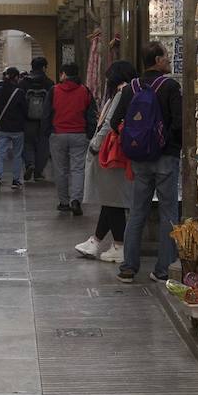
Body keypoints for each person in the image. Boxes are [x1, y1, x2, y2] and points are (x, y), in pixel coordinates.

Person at [110, 41, 182, 283]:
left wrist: (134, 141)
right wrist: (170, 143)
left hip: (140, 160)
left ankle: (129, 267)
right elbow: (179, 123)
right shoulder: (170, 86)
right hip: (165, 158)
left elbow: (114, 121)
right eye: (167, 57)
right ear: (159, 61)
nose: (170, 60)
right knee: (169, 213)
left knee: (137, 212)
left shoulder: (131, 88)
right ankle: (163, 270)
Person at [75, 60, 138, 261]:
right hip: (119, 154)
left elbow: (109, 124)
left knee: (113, 201)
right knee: (110, 199)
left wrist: (94, 144)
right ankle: (95, 241)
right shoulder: (132, 91)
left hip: (111, 155)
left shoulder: (121, 94)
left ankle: (119, 246)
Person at [48, 62, 94, 215]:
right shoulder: (85, 91)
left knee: (60, 169)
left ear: (64, 75)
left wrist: (47, 132)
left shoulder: (54, 90)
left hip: (58, 134)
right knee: (78, 169)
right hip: (79, 134)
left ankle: (63, 202)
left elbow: (46, 113)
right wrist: (90, 133)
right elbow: (91, 114)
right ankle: (76, 200)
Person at [0, 66, 28, 191]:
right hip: (17, 128)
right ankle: (16, 180)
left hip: (2, 128)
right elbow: (25, 110)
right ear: (16, 77)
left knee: (0, 153)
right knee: (17, 155)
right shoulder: (20, 92)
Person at [20, 56, 54, 182]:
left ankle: (30, 164)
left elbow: (20, 101)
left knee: (27, 143)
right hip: (44, 121)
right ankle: (38, 172)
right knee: (43, 145)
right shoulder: (49, 83)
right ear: (44, 68)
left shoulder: (23, 82)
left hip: (27, 120)